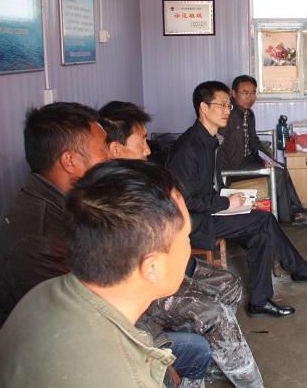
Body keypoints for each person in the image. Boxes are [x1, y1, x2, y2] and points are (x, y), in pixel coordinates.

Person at [0, 102, 209, 387]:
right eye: (104, 148)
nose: (111, 154)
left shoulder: (71, 208)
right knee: (196, 349)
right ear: (70, 161)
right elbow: (94, 326)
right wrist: (161, 367)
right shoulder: (39, 241)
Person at [100, 100, 262, 387]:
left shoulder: (139, 176)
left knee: (230, 283)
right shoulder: (107, 193)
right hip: (145, 278)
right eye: (141, 142)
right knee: (215, 314)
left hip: (169, 259)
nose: (148, 150)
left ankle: (214, 357)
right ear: (115, 149)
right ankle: (241, 379)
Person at [167, 81, 307, 319]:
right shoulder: (187, 148)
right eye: (222, 105)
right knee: (264, 220)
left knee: (258, 234)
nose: (227, 110)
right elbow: (186, 202)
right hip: (193, 223)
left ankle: (260, 302)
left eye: (228, 105)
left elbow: (213, 187)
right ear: (203, 108)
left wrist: (240, 201)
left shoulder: (211, 141)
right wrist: (227, 204)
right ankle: (299, 269)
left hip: (210, 212)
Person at [218, 75, 307, 226]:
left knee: (280, 167)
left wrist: (266, 159)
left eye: (253, 93)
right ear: (233, 93)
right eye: (245, 93)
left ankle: (297, 212)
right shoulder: (228, 115)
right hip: (235, 166)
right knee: (277, 173)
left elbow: (254, 142)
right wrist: (224, 179)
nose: (250, 97)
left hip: (247, 160)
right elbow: (220, 148)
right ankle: (285, 218)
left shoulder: (249, 114)